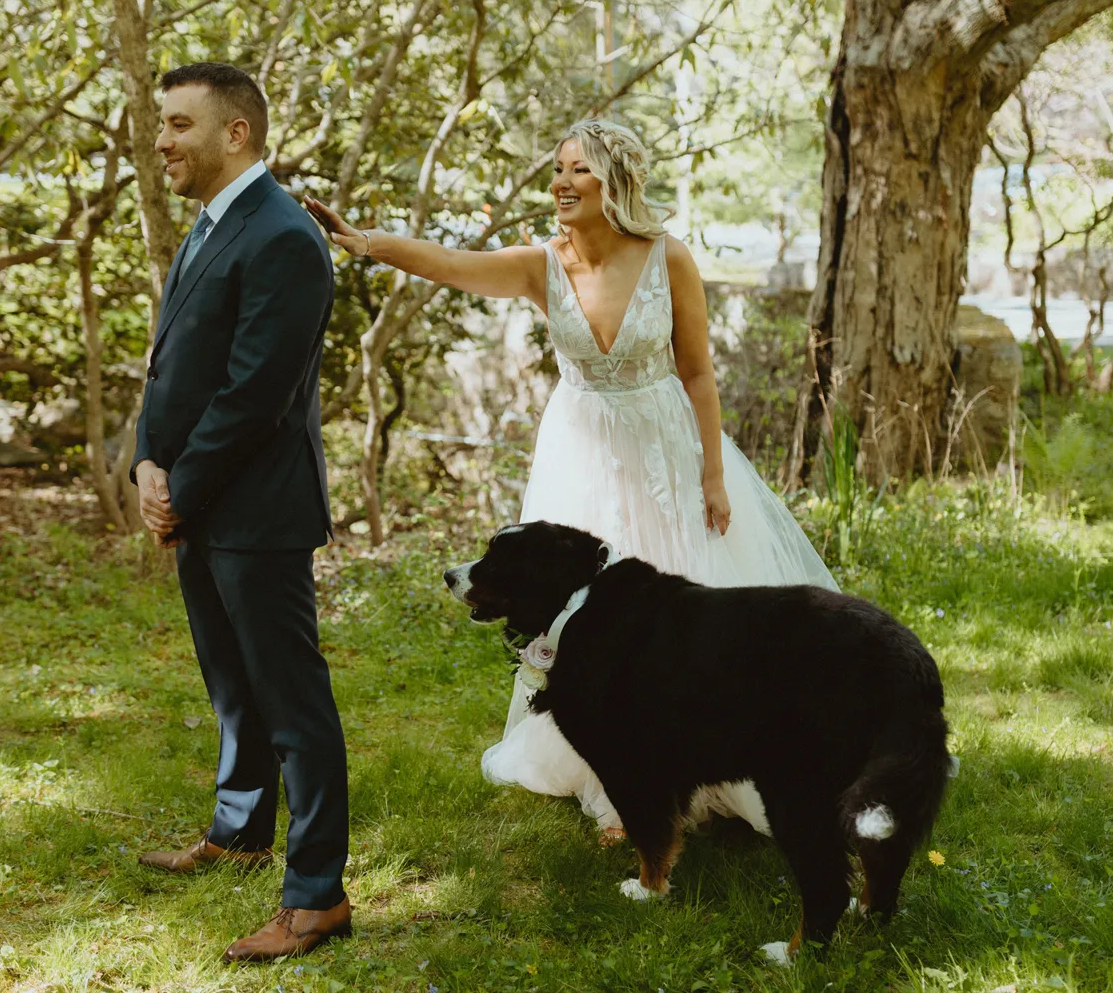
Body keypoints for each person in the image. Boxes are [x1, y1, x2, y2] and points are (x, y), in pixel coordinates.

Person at [306, 119, 837, 840]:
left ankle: (711, 765)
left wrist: (713, 472)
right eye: (558, 169)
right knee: (585, 625)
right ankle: (612, 782)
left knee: (683, 610)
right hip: (582, 449)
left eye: (579, 170)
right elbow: (452, 262)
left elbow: (700, 372)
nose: (561, 182)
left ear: (615, 180)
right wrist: (368, 243)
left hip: (663, 448)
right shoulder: (541, 264)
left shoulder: (667, 257)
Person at [130, 62, 350, 962]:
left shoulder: (286, 236)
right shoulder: (210, 225)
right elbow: (168, 362)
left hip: (255, 509)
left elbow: (255, 393)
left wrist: (181, 483)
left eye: (179, 124)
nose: (162, 141)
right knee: (232, 688)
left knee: (292, 705)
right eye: (161, 125)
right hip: (193, 497)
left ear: (237, 134)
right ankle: (241, 828)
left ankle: (316, 897)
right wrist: (147, 457)